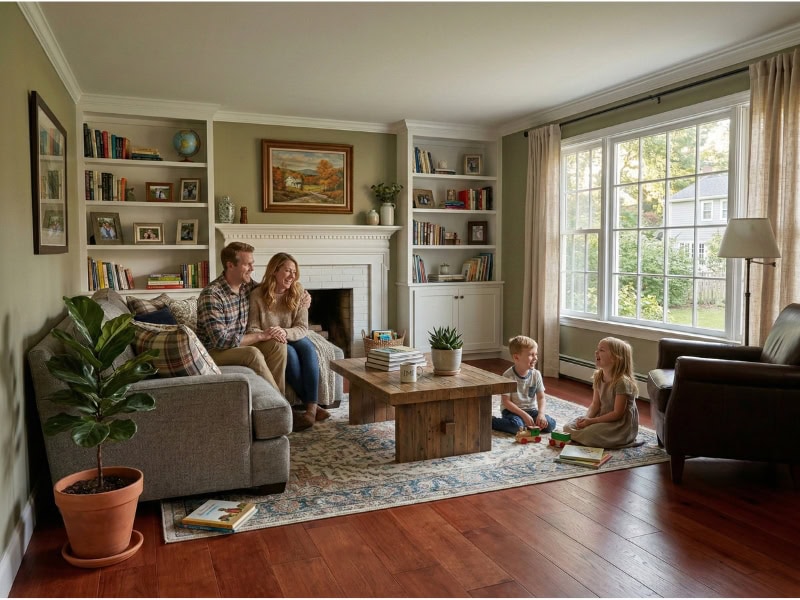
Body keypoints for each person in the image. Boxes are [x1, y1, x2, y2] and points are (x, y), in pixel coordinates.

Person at [196, 242, 290, 397]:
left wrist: (301, 295)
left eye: (252, 264)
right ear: (230, 265)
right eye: (248, 265)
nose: (252, 269)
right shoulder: (212, 295)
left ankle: (272, 402)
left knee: (277, 345)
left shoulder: (247, 286)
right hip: (213, 352)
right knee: (252, 354)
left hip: (237, 345)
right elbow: (220, 341)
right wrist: (260, 335)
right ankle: (281, 405)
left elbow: (272, 291)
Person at [248, 252, 328, 432]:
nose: (292, 276)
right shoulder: (257, 295)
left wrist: (284, 331)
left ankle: (310, 409)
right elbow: (252, 327)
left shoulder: (298, 292)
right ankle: (313, 409)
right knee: (290, 355)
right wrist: (269, 333)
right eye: (288, 271)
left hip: (292, 335)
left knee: (308, 349)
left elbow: (302, 328)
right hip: (271, 340)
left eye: (294, 272)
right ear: (275, 271)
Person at [563, 336, 639, 448]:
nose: (596, 352)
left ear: (615, 358)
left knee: (589, 434)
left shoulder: (622, 382)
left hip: (618, 425)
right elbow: (595, 404)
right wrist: (586, 419)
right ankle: (584, 435)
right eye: (597, 349)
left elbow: (617, 414)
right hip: (602, 418)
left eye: (601, 350)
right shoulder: (598, 376)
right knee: (567, 428)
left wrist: (592, 421)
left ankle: (590, 437)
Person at [492, 335, 556, 435]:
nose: (535, 358)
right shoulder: (508, 376)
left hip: (531, 410)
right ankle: (492, 421)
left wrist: (541, 414)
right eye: (531, 355)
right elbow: (506, 402)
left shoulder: (536, 374)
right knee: (517, 427)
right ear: (516, 357)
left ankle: (528, 423)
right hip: (512, 412)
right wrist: (524, 415)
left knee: (550, 424)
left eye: (536, 354)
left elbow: (541, 398)